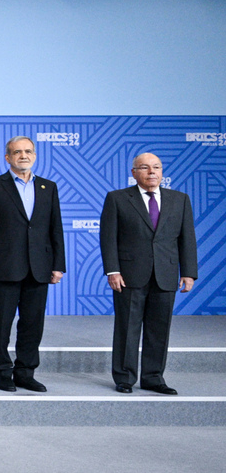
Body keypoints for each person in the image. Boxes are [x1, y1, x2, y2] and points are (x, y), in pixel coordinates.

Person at [0, 136, 65, 392]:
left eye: (28, 151)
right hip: (3, 267)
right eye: (17, 152)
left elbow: (56, 229)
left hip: (40, 268)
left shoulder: (49, 187)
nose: (23, 156)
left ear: (34, 155)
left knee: (33, 324)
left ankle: (25, 372)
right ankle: (2, 372)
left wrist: (58, 265)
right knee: (1, 324)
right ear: (7, 157)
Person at [100, 152, 198, 394]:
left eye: (156, 167)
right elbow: (108, 238)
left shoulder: (180, 199)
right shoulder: (117, 198)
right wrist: (113, 270)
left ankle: (154, 378)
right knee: (128, 328)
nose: (152, 172)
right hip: (129, 274)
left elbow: (187, 239)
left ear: (162, 172)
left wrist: (188, 273)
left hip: (165, 274)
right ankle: (124, 377)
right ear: (134, 173)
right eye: (145, 167)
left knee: (159, 329)